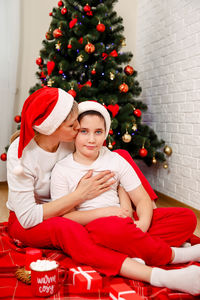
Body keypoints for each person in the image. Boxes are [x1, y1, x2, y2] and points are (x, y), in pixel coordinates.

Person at [50, 101, 200, 295]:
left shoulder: (115, 160)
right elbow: (65, 217)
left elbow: (143, 199)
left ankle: (131, 249)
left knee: (186, 217)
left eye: (98, 132)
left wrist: (142, 224)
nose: (91, 139)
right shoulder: (62, 169)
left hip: (127, 223)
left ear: (105, 133)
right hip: (96, 226)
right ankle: (175, 254)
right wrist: (108, 212)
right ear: (75, 133)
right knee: (109, 229)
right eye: (84, 131)